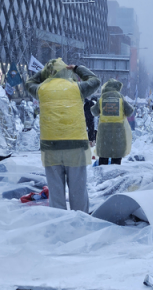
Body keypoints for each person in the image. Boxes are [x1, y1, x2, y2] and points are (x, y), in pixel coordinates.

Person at [25, 58, 100, 213]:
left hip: (50, 148)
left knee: (56, 193)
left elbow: (28, 83)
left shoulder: (41, 89)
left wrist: (47, 71)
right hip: (76, 147)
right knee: (78, 191)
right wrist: (78, 69)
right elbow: (95, 81)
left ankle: (58, 222)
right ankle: (80, 223)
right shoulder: (77, 88)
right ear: (66, 71)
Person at [91, 79, 134, 166]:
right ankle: (115, 176)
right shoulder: (120, 97)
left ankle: (103, 177)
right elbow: (130, 111)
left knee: (103, 157)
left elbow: (94, 112)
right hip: (118, 132)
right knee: (116, 159)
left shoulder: (102, 98)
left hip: (104, 132)